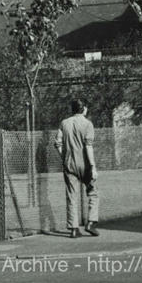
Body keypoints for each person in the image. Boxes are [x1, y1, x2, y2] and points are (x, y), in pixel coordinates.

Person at [54, 98, 99, 238]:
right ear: (84, 108)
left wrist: (64, 157)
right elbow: (88, 146)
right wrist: (93, 166)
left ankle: (73, 229)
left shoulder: (64, 123)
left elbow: (57, 143)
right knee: (93, 193)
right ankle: (91, 222)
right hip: (84, 164)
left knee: (71, 196)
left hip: (69, 164)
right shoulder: (87, 124)